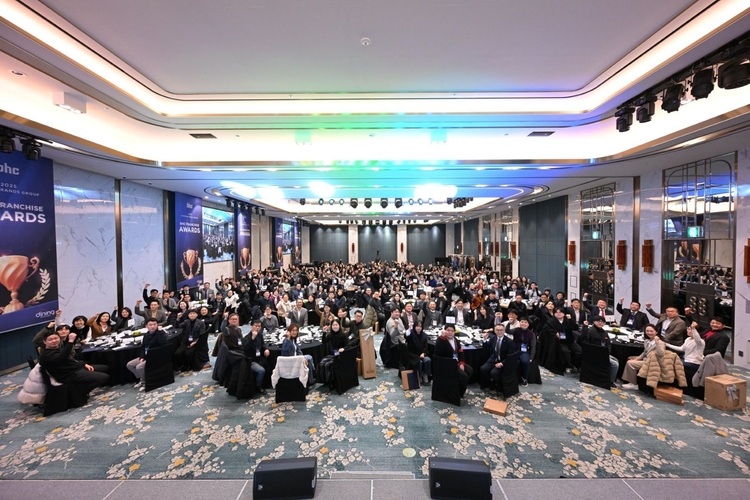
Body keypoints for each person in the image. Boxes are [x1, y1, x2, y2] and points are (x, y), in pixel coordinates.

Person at [38, 329, 109, 394]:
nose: (54, 341)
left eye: (56, 338)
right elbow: (61, 358)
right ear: (44, 342)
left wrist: (83, 364)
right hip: (68, 375)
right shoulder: (46, 355)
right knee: (104, 377)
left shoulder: (57, 348)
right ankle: (81, 392)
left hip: (74, 369)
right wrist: (70, 341)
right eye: (50, 339)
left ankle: (84, 384)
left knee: (105, 368)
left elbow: (71, 360)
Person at [126, 318, 167, 391]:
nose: (153, 326)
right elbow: (143, 347)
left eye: (154, 324)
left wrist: (160, 332)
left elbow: (163, 343)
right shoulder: (146, 335)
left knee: (139, 367)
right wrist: (142, 357)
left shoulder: (161, 333)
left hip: (155, 356)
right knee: (130, 365)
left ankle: (145, 383)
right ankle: (141, 379)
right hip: (146, 355)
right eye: (150, 325)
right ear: (146, 326)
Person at [621, 324, 665, 390]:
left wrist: (657, 343)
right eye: (647, 331)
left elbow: (660, 354)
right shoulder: (647, 341)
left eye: (651, 331)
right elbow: (644, 352)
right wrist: (637, 359)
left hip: (652, 362)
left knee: (630, 363)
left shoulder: (661, 343)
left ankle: (634, 384)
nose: (649, 333)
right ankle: (628, 379)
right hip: (645, 359)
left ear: (656, 332)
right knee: (630, 358)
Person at [435, 324, 473, 397]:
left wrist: (461, 363)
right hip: (448, 363)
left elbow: (461, 352)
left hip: (457, 362)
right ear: (444, 331)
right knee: (464, 376)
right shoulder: (441, 340)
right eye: (448, 330)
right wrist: (442, 337)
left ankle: (457, 386)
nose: (450, 332)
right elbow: (438, 352)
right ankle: (460, 393)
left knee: (470, 370)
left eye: (452, 331)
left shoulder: (455, 340)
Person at [580, 316, 619, 385]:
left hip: (603, 353)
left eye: (602, 322)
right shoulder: (590, 331)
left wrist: (607, 352)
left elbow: (608, 344)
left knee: (616, 360)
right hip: (594, 354)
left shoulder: (604, 332)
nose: (600, 323)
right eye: (598, 321)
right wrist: (584, 327)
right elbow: (584, 340)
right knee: (614, 364)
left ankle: (608, 378)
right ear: (594, 322)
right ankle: (610, 381)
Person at [542, 307, 580, 372]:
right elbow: (546, 329)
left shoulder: (567, 320)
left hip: (570, 341)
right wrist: (555, 332)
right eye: (556, 312)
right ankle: (568, 366)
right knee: (565, 351)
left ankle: (576, 364)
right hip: (559, 342)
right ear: (554, 314)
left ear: (564, 313)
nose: (558, 314)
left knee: (579, 351)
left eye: (560, 312)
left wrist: (571, 320)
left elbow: (575, 327)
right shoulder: (550, 322)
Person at [479, 324, 514, 390]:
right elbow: (487, 347)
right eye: (497, 330)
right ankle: (490, 382)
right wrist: (484, 340)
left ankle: (498, 385)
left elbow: (510, 356)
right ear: (494, 331)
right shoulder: (493, 338)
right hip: (494, 358)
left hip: (503, 360)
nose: (499, 332)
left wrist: (501, 363)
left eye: (501, 330)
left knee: (494, 373)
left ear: (504, 331)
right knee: (483, 369)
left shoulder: (509, 341)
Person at [242, 319, 271, 394]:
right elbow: (246, 349)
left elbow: (263, 344)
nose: (257, 328)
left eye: (259, 326)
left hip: (259, 357)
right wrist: (252, 338)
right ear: (251, 326)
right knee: (261, 370)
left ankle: (266, 383)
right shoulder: (247, 337)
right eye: (256, 326)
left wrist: (266, 349)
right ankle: (259, 386)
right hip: (250, 360)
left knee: (270, 363)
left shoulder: (260, 335)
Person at [509, 318, 535, 387]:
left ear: (528, 324)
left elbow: (533, 346)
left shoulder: (531, 334)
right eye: (522, 322)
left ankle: (524, 378)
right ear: (519, 323)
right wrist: (509, 323)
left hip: (524, 351)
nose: (523, 324)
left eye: (525, 322)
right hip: (515, 350)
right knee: (509, 359)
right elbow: (507, 331)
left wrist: (531, 357)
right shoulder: (516, 330)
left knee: (525, 362)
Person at [406, 321, 431, 386]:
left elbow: (425, 347)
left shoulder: (424, 335)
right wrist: (409, 329)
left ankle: (425, 375)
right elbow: (406, 336)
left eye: (420, 326)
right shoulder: (411, 334)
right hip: (413, 355)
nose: (419, 328)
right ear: (414, 327)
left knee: (428, 360)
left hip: (421, 354)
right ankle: (418, 376)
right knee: (419, 362)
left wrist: (423, 353)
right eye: (417, 326)